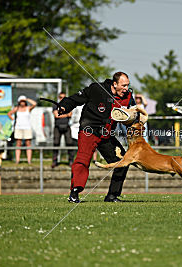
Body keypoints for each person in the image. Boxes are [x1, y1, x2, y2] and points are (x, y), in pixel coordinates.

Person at [58, 71, 136, 203]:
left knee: (123, 161)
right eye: (123, 85)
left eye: (127, 85)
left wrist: (136, 121)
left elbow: (134, 113)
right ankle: (74, 193)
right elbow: (76, 98)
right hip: (89, 131)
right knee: (82, 160)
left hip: (106, 135)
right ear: (114, 83)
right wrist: (65, 106)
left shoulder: (128, 96)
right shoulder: (96, 89)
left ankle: (112, 196)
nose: (126, 89)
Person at [7, 96, 37, 164]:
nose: (22, 102)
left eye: (23, 101)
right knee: (18, 143)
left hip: (27, 127)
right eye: (21, 101)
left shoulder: (28, 108)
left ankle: (29, 160)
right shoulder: (17, 108)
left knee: (28, 144)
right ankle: (17, 160)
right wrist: (12, 119)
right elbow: (9, 113)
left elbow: (34, 104)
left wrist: (27, 99)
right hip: (18, 128)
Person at [52, 92, 75, 168]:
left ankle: (71, 160)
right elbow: (56, 115)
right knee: (56, 144)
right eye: (61, 97)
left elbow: (70, 114)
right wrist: (66, 115)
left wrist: (61, 114)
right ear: (59, 98)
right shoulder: (55, 105)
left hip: (66, 126)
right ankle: (54, 161)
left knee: (69, 143)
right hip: (57, 127)